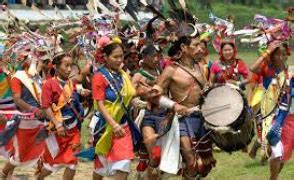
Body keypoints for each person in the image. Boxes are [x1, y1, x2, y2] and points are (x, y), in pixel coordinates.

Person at [150, 35, 216, 179]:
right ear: (184, 48)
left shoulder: (200, 67)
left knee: (204, 166)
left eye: (201, 46)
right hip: (181, 119)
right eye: (196, 45)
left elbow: (205, 91)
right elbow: (154, 96)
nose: (200, 49)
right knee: (191, 159)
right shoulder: (170, 70)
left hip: (201, 118)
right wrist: (173, 105)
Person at [91, 40, 136, 180]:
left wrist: (141, 103)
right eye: (115, 57)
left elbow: (128, 97)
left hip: (122, 127)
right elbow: (100, 104)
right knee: (101, 169)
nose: (119, 60)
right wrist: (113, 124)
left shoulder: (123, 75)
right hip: (105, 127)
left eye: (121, 56)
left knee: (124, 163)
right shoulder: (99, 76)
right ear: (105, 57)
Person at [250, 41, 292, 180]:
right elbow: (253, 68)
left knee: (283, 157)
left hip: (287, 117)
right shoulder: (267, 70)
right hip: (270, 116)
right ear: (272, 56)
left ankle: (272, 176)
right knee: (277, 152)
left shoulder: (290, 72)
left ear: (287, 56)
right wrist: (267, 52)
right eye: (277, 54)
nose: (280, 57)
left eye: (283, 54)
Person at [37, 53, 83, 180]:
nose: (69, 69)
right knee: (52, 164)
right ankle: (40, 177)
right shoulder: (49, 84)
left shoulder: (71, 84)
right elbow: (46, 106)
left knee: (72, 162)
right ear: (57, 67)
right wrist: (57, 124)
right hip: (58, 130)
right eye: (66, 65)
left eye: (71, 66)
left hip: (73, 130)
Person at [1, 50, 46, 178]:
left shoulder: (36, 77)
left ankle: (39, 174)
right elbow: (17, 99)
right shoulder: (18, 77)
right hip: (24, 121)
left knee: (41, 149)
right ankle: (4, 174)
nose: (36, 61)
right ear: (25, 62)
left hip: (39, 120)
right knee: (19, 156)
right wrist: (33, 110)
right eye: (33, 59)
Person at [132, 44, 163, 179]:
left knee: (162, 155)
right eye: (153, 56)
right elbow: (131, 97)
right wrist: (145, 104)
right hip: (146, 117)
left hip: (164, 116)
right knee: (154, 155)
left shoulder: (161, 72)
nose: (156, 59)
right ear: (144, 58)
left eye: (158, 56)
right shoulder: (138, 76)